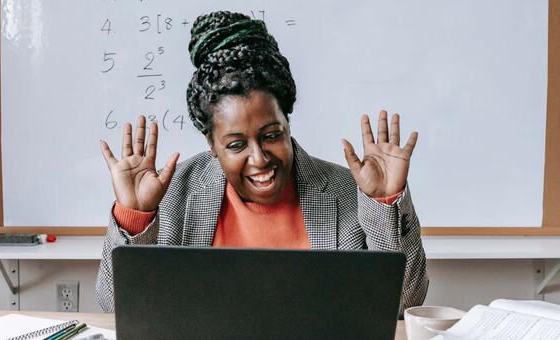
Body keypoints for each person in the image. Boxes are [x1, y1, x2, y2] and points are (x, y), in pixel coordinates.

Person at [96, 11, 428, 314]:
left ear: (287, 122)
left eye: (271, 135)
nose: (259, 159)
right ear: (212, 144)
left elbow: (403, 306)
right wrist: (135, 218)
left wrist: (385, 203)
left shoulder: (348, 192)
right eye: (237, 144)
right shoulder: (171, 196)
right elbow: (115, 308)